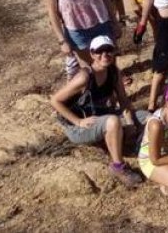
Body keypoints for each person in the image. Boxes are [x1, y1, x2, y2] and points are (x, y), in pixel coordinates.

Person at [50, 35, 144, 187]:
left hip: (99, 115)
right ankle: (118, 166)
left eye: (108, 50)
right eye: (99, 51)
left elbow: (123, 100)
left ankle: (138, 147)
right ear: (92, 54)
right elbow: (55, 101)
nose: (105, 55)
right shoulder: (85, 77)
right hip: (77, 126)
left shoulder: (113, 72)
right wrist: (78, 121)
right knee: (112, 122)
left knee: (144, 116)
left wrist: (131, 121)